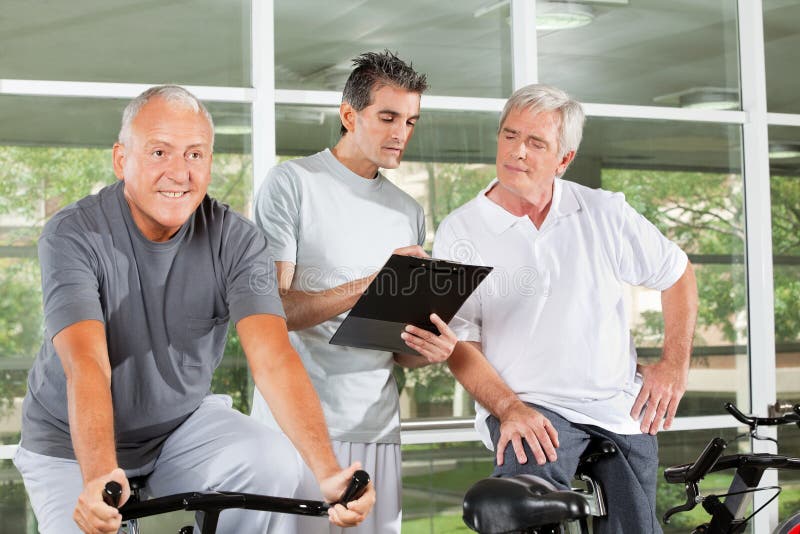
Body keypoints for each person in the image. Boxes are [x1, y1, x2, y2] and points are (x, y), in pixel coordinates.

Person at [13, 85, 375, 534]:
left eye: (195, 155)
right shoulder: (73, 234)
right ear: (121, 159)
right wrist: (99, 477)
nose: (179, 173)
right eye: (160, 152)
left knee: (275, 461)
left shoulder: (237, 240)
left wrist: (328, 472)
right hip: (69, 444)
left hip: (177, 429)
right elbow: (86, 365)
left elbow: (273, 359)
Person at [433, 84, 698, 533]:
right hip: (530, 404)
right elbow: (460, 344)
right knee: (516, 516)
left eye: (535, 143)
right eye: (509, 135)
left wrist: (674, 364)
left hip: (616, 405)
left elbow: (677, 275)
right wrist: (509, 408)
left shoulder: (604, 212)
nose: (517, 151)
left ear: (563, 159)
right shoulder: (461, 230)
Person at [251, 50, 457, 534]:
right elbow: (272, 311)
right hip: (295, 430)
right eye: (388, 117)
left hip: (377, 430)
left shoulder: (407, 211)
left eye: (410, 121)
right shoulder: (293, 184)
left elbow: (394, 344)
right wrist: (372, 281)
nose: (400, 133)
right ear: (349, 115)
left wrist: (431, 351)